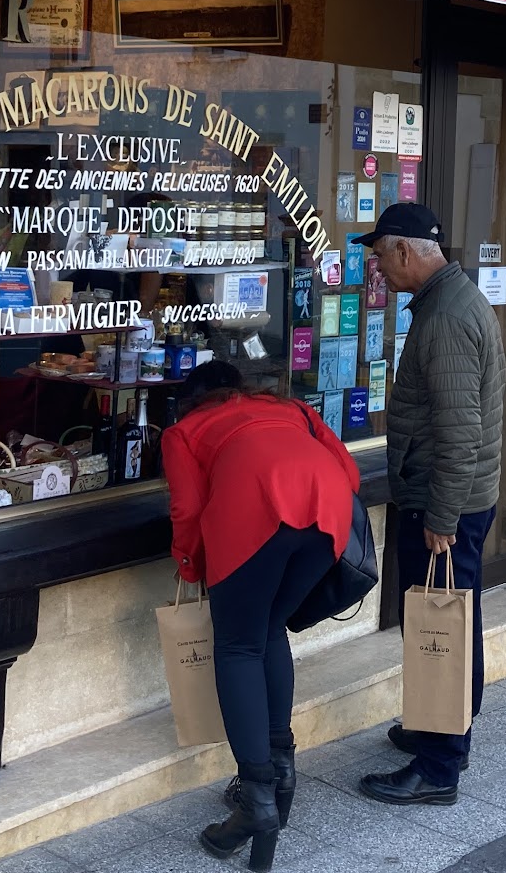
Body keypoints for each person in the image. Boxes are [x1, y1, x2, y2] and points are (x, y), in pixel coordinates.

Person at [159, 362, 360, 869]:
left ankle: (257, 803)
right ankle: (281, 773)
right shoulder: (291, 409)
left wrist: (189, 564)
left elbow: (186, 509)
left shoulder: (182, 432)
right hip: (328, 511)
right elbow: (350, 472)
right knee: (268, 631)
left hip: (252, 513)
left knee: (237, 647)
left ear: (190, 402)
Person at [354, 203, 504, 808]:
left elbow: (458, 431)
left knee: (443, 621)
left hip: (448, 505)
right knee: (445, 618)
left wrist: (441, 518)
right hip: (459, 498)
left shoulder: (442, 319)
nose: (377, 269)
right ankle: (440, 722)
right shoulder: (454, 299)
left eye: (379, 256)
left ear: (406, 252)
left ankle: (439, 764)